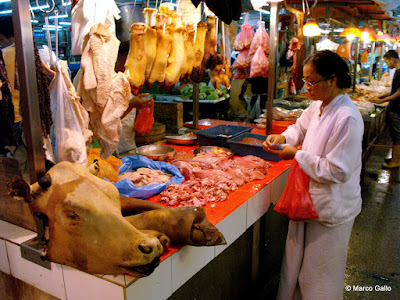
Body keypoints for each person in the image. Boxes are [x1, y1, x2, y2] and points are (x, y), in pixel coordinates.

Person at [263, 50, 364, 300]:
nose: (306, 87)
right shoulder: (320, 104)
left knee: (320, 279)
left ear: (332, 79)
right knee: (295, 271)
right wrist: (284, 137)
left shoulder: (347, 117)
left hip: (331, 209)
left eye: (311, 81)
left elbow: (338, 170)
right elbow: (300, 126)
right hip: (309, 203)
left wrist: (295, 155)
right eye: (305, 81)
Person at [371, 50, 400, 168]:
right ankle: (395, 158)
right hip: (396, 107)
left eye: (387, 62)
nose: (387, 65)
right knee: (396, 135)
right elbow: (395, 90)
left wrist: (382, 101)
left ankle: (396, 161)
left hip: (397, 108)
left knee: (397, 136)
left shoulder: (399, 72)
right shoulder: (398, 72)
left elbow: (399, 93)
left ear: (393, 59)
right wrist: (384, 95)